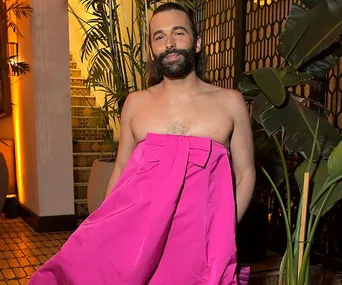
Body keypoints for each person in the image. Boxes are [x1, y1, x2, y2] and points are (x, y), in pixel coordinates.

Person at [29, 3, 255, 284]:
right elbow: (121, 169)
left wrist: (220, 231)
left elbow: (245, 174)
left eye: (178, 33)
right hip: (141, 242)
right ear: (152, 50)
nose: (169, 43)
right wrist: (104, 227)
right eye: (159, 37)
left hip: (201, 246)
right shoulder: (135, 104)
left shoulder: (230, 102)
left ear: (197, 43)